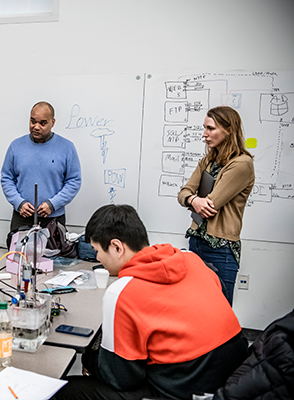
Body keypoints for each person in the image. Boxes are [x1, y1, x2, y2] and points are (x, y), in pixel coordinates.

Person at [53, 204, 248, 400]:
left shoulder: (121, 292)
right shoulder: (192, 259)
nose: (97, 258)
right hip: (236, 373)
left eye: (96, 250)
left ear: (116, 247)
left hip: (186, 387)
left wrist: (90, 358)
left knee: (65, 390)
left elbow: (121, 378)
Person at [178, 106, 255, 305]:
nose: (204, 134)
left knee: (218, 310)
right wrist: (193, 200)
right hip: (196, 242)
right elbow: (183, 193)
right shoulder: (208, 161)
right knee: (194, 305)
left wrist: (194, 200)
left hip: (221, 248)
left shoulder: (241, 164)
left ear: (229, 130)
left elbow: (211, 204)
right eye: (204, 128)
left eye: (210, 128)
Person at [1, 101, 81, 231]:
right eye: (33, 121)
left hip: (53, 217)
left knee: (55, 252)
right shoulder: (15, 146)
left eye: (42, 123)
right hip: (22, 216)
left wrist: (53, 204)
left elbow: (74, 181)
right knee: (19, 251)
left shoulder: (67, 147)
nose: (36, 127)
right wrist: (18, 202)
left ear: (52, 123)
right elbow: (7, 178)